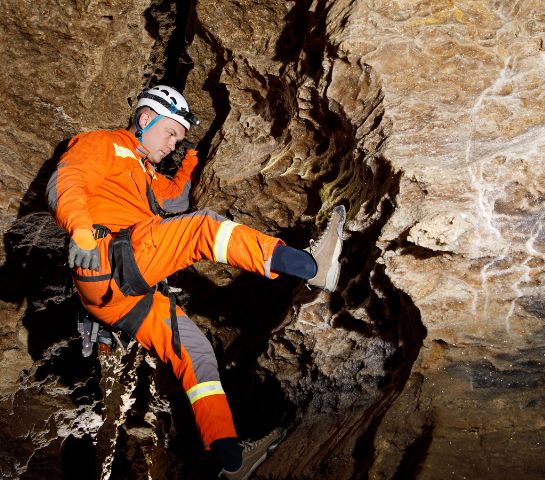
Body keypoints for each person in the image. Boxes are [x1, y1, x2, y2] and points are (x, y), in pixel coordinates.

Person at [45, 85, 345, 480]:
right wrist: (81, 231)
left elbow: (173, 202)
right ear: (146, 118)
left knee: (195, 350)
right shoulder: (104, 145)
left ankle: (229, 459)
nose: (172, 144)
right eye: (171, 133)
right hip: (104, 257)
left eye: (178, 139)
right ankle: (310, 266)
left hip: (119, 296)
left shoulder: (142, 170)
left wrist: (188, 163)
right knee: (203, 229)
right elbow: (66, 180)